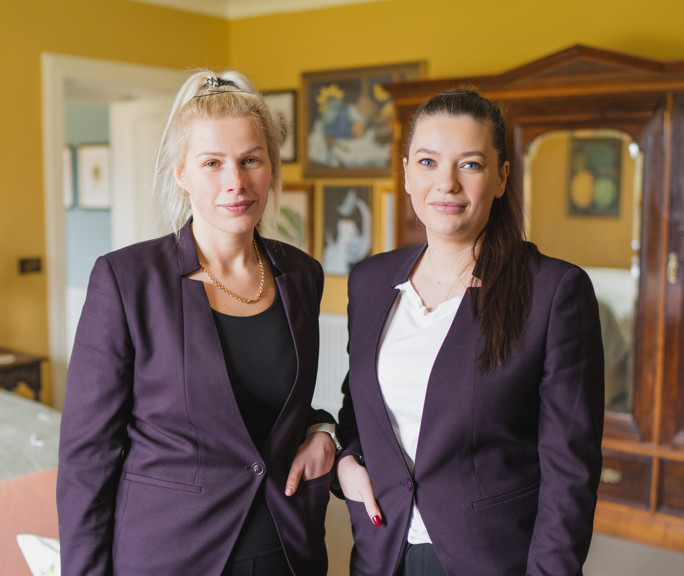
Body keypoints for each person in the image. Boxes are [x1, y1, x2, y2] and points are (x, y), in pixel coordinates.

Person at [57, 69, 341, 576]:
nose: (236, 182)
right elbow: (88, 457)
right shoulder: (126, 280)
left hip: (284, 549)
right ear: (182, 174)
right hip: (169, 553)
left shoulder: (301, 274)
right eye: (212, 163)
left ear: (270, 166)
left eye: (251, 159)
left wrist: (323, 430)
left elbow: (272, 411)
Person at [335, 89, 605, 576]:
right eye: (428, 161)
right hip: (382, 552)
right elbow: (359, 411)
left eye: (471, 165)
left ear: (502, 177)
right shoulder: (371, 281)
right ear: (406, 171)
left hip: (492, 559)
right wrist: (347, 461)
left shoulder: (553, 291)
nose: (446, 184)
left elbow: (571, 474)